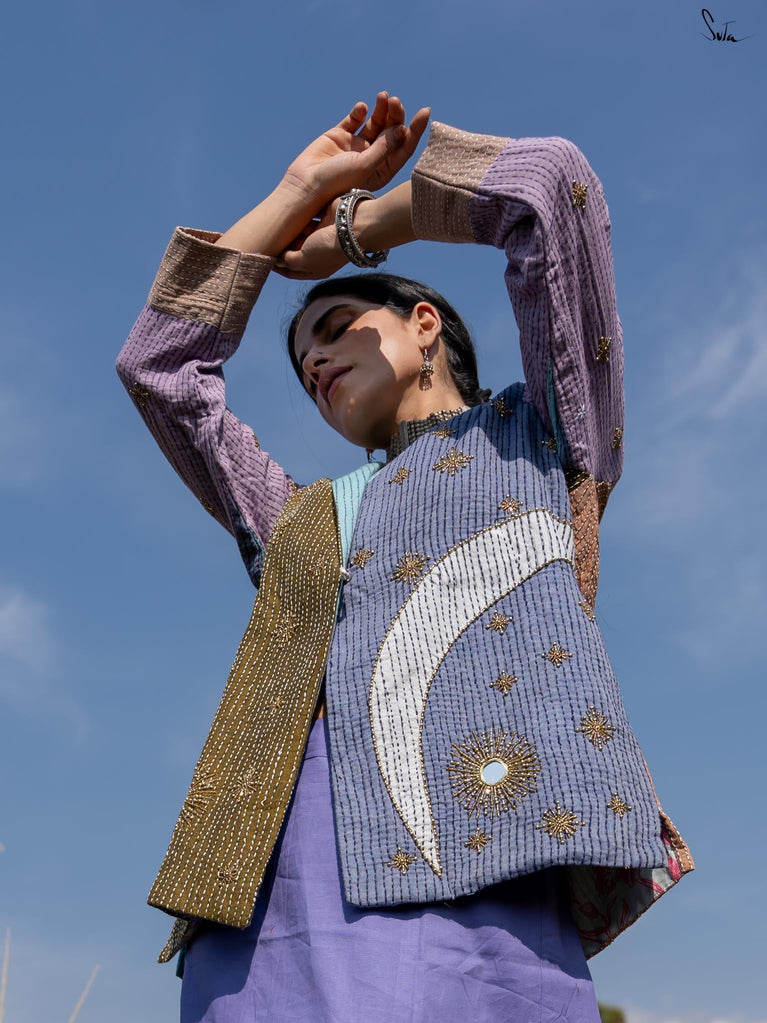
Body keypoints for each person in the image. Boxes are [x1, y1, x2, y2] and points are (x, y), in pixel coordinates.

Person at [117, 93, 693, 1023]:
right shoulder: (300, 517)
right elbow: (160, 370)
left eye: (335, 327)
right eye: (302, 364)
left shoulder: (543, 438)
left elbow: (550, 186)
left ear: (423, 323)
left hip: (487, 853)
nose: (314, 363)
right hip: (274, 879)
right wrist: (293, 192)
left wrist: (355, 230)